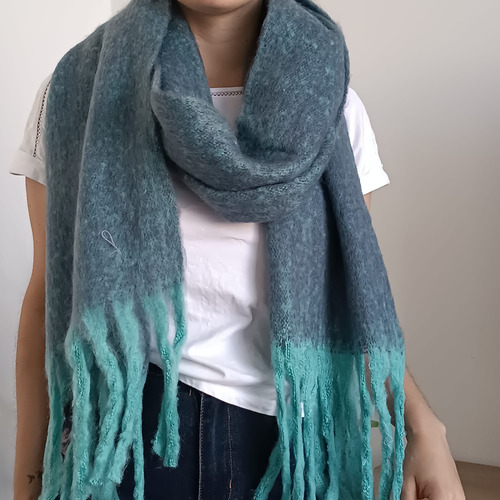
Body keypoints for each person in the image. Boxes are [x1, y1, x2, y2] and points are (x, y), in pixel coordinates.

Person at [10, 0, 465, 498]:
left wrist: (423, 425)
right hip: (130, 443)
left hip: (286, 449)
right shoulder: (77, 93)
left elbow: (347, 301)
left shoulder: (333, 111)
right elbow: (47, 299)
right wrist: (29, 478)